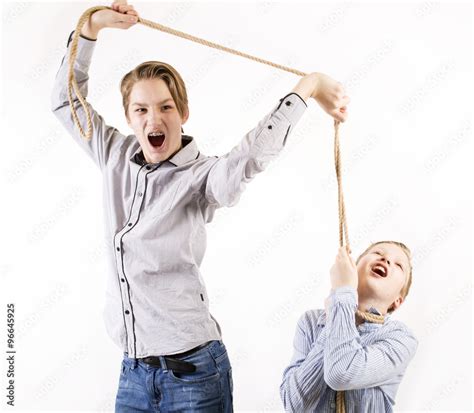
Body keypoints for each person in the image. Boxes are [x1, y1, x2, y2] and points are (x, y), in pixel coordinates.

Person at [50, 1, 350, 411]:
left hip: (194, 374)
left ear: (183, 113)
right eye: (141, 109)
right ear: (129, 117)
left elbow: (248, 158)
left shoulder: (202, 177)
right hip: (133, 373)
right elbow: (67, 103)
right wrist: (90, 30)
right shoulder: (114, 155)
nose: (153, 119)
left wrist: (308, 86)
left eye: (165, 107)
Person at [280, 241, 418, 412]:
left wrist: (343, 292)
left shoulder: (400, 338)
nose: (386, 259)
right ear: (353, 268)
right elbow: (294, 405)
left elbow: (341, 373)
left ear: (397, 301)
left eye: (399, 265)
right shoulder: (311, 322)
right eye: (377, 252)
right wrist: (335, 314)